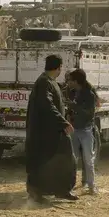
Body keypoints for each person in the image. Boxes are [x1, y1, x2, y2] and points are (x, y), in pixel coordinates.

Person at [25, 54, 76, 202]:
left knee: (62, 160)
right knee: (42, 162)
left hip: (52, 131)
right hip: (44, 132)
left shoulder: (49, 82)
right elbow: (47, 106)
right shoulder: (44, 83)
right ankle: (36, 192)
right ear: (59, 67)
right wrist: (63, 122)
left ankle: (61, 190)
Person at [66, 68, 98, 195]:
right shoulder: (73, 92)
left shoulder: (89, 95)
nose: (68, 82)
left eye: (70, 80)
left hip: (85, 130)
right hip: (74, 129)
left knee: (88, 160)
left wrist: (74, 107)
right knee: (73, 160)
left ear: (76, 81)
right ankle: (70, 186)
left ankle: (91, 186)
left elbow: (89, 114)